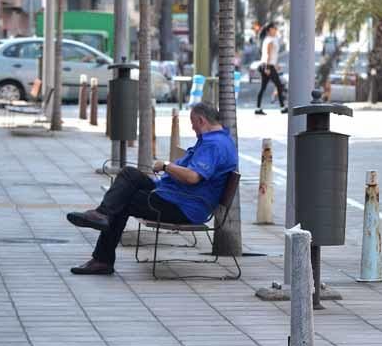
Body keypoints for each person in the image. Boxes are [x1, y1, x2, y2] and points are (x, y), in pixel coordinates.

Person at [66, 103, 238, 275]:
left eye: (193, 122)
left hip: (183, 206)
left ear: (201, 120)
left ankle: (102, 259)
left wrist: (166, 166)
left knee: (123, 201)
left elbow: (193, 177)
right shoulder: (214, 140)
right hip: (172, 195)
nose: (192, 127)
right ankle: (101, 215)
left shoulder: (214, 145)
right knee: (129, 174)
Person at [256, 23, 287, 115]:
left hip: (267, 65)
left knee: (263, 87)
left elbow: (272, 55)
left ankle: (258, 108)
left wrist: (275, 65)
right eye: (274, 28)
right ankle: (282, 107)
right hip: (267, 66)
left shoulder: (270, 39)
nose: (276, 30)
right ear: (269, 30)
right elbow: (268, 54)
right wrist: (268, 67)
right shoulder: (270, 40)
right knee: (279, 85)